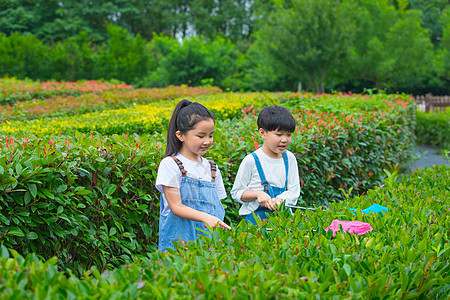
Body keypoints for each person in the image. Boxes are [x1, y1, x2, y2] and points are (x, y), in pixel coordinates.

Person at [155, 99, 231, 251]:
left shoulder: (212, 168)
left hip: (209, 246)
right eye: (201, 136)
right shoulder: (170, 164)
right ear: (181, 135)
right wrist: (205, 217)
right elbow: (176, 206)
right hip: (178, 246)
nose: (207, 141)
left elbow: (218, 208)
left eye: (211, 135)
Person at [231, 105, 300, 225]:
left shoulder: (289, 159)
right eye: (279, 135)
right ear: (263, 133)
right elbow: (237, 193)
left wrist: (281, 200)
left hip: (283, 221)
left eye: (289, 135)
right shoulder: (251, 160)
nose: (284, 140)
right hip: (255, 221)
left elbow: (294, 192)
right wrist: (258, 194)